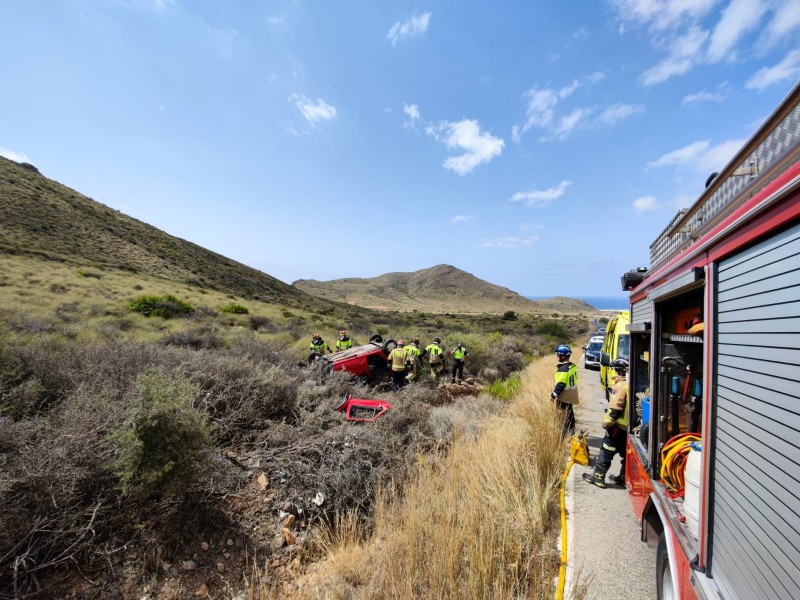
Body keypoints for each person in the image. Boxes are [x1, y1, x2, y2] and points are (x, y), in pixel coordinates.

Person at [583, 358, 629, 488]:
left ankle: (598, 477)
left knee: (606, 450)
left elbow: (615, 408)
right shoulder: (633, 384)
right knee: (625, 453)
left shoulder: (620, 386)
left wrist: (607, 424)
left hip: (617, 427)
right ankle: (623, 477)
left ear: (620, 371)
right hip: (628, 429)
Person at [550, 344, 578, 436]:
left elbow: (561, 384)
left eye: (558, 354)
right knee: (570, 414)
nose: (557, 356)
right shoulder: (572, 366)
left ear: (563, 355)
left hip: (564, 396)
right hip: (572, 395)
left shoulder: (563, 369)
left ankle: (564, 435)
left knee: (563, 416)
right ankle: (572, 431)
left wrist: (554, 394)